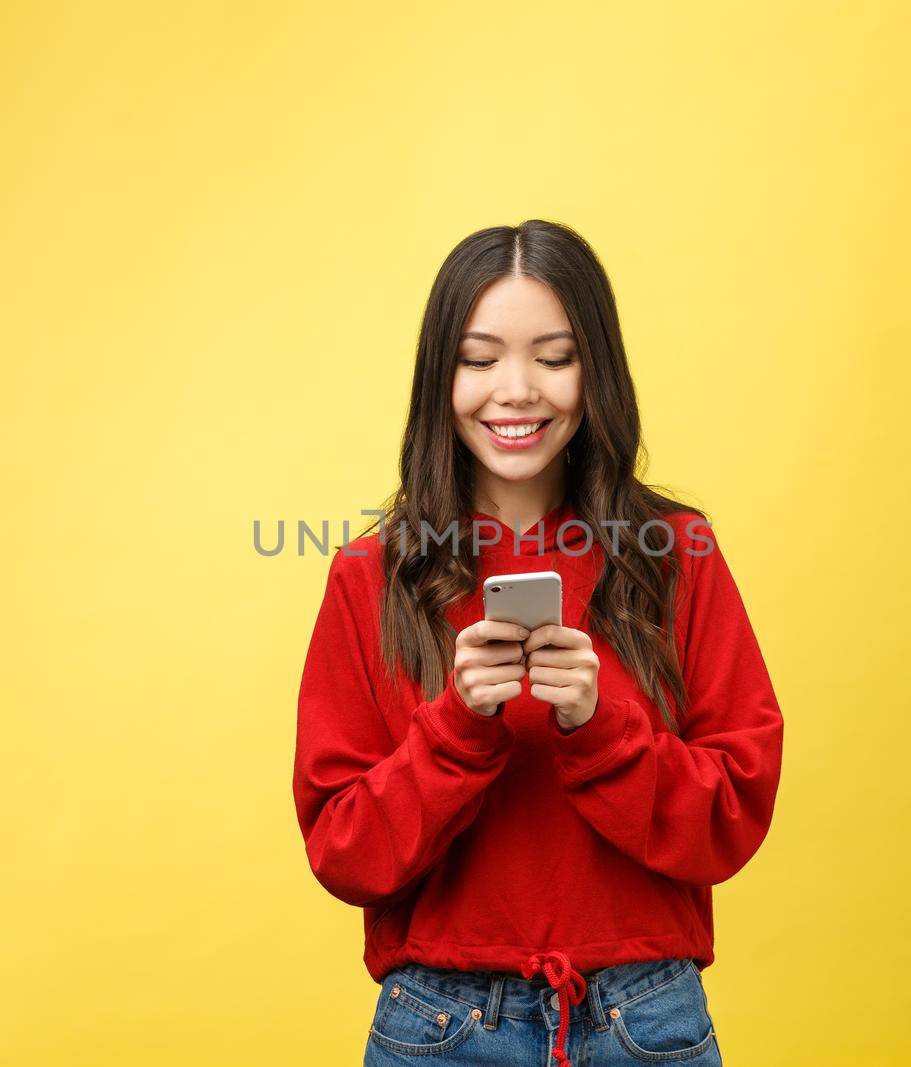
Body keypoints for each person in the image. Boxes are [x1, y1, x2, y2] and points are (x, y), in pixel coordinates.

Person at [292, 219, 785, 1066]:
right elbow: (345, 854)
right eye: (479, 360)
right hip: (440, 1024)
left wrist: (599, 727)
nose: (515, 390)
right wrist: (455, 727)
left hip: (646, 1016)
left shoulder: (679, 553)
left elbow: (734, 814)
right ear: (438, 378)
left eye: (553, 357)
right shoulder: (369, 574)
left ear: (596, 372)